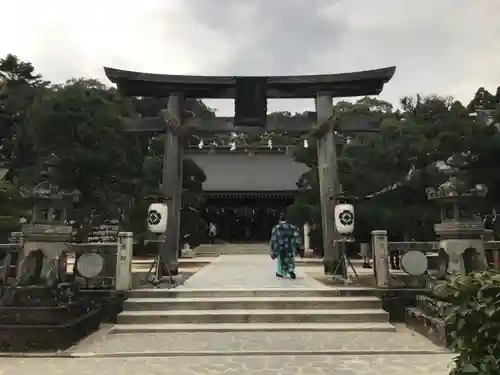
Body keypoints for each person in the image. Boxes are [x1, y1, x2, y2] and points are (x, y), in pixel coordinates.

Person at [269, 213, 304, 279]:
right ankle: (291, 270)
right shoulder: (292, 227)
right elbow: (297, 236)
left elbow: (273, 239)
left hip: (280, 247)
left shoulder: (276, 228)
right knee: (290, 259)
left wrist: (273, 248)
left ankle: (280, 273)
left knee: (280, 260)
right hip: (289, 247)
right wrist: (298, 247)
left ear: (279, 220)